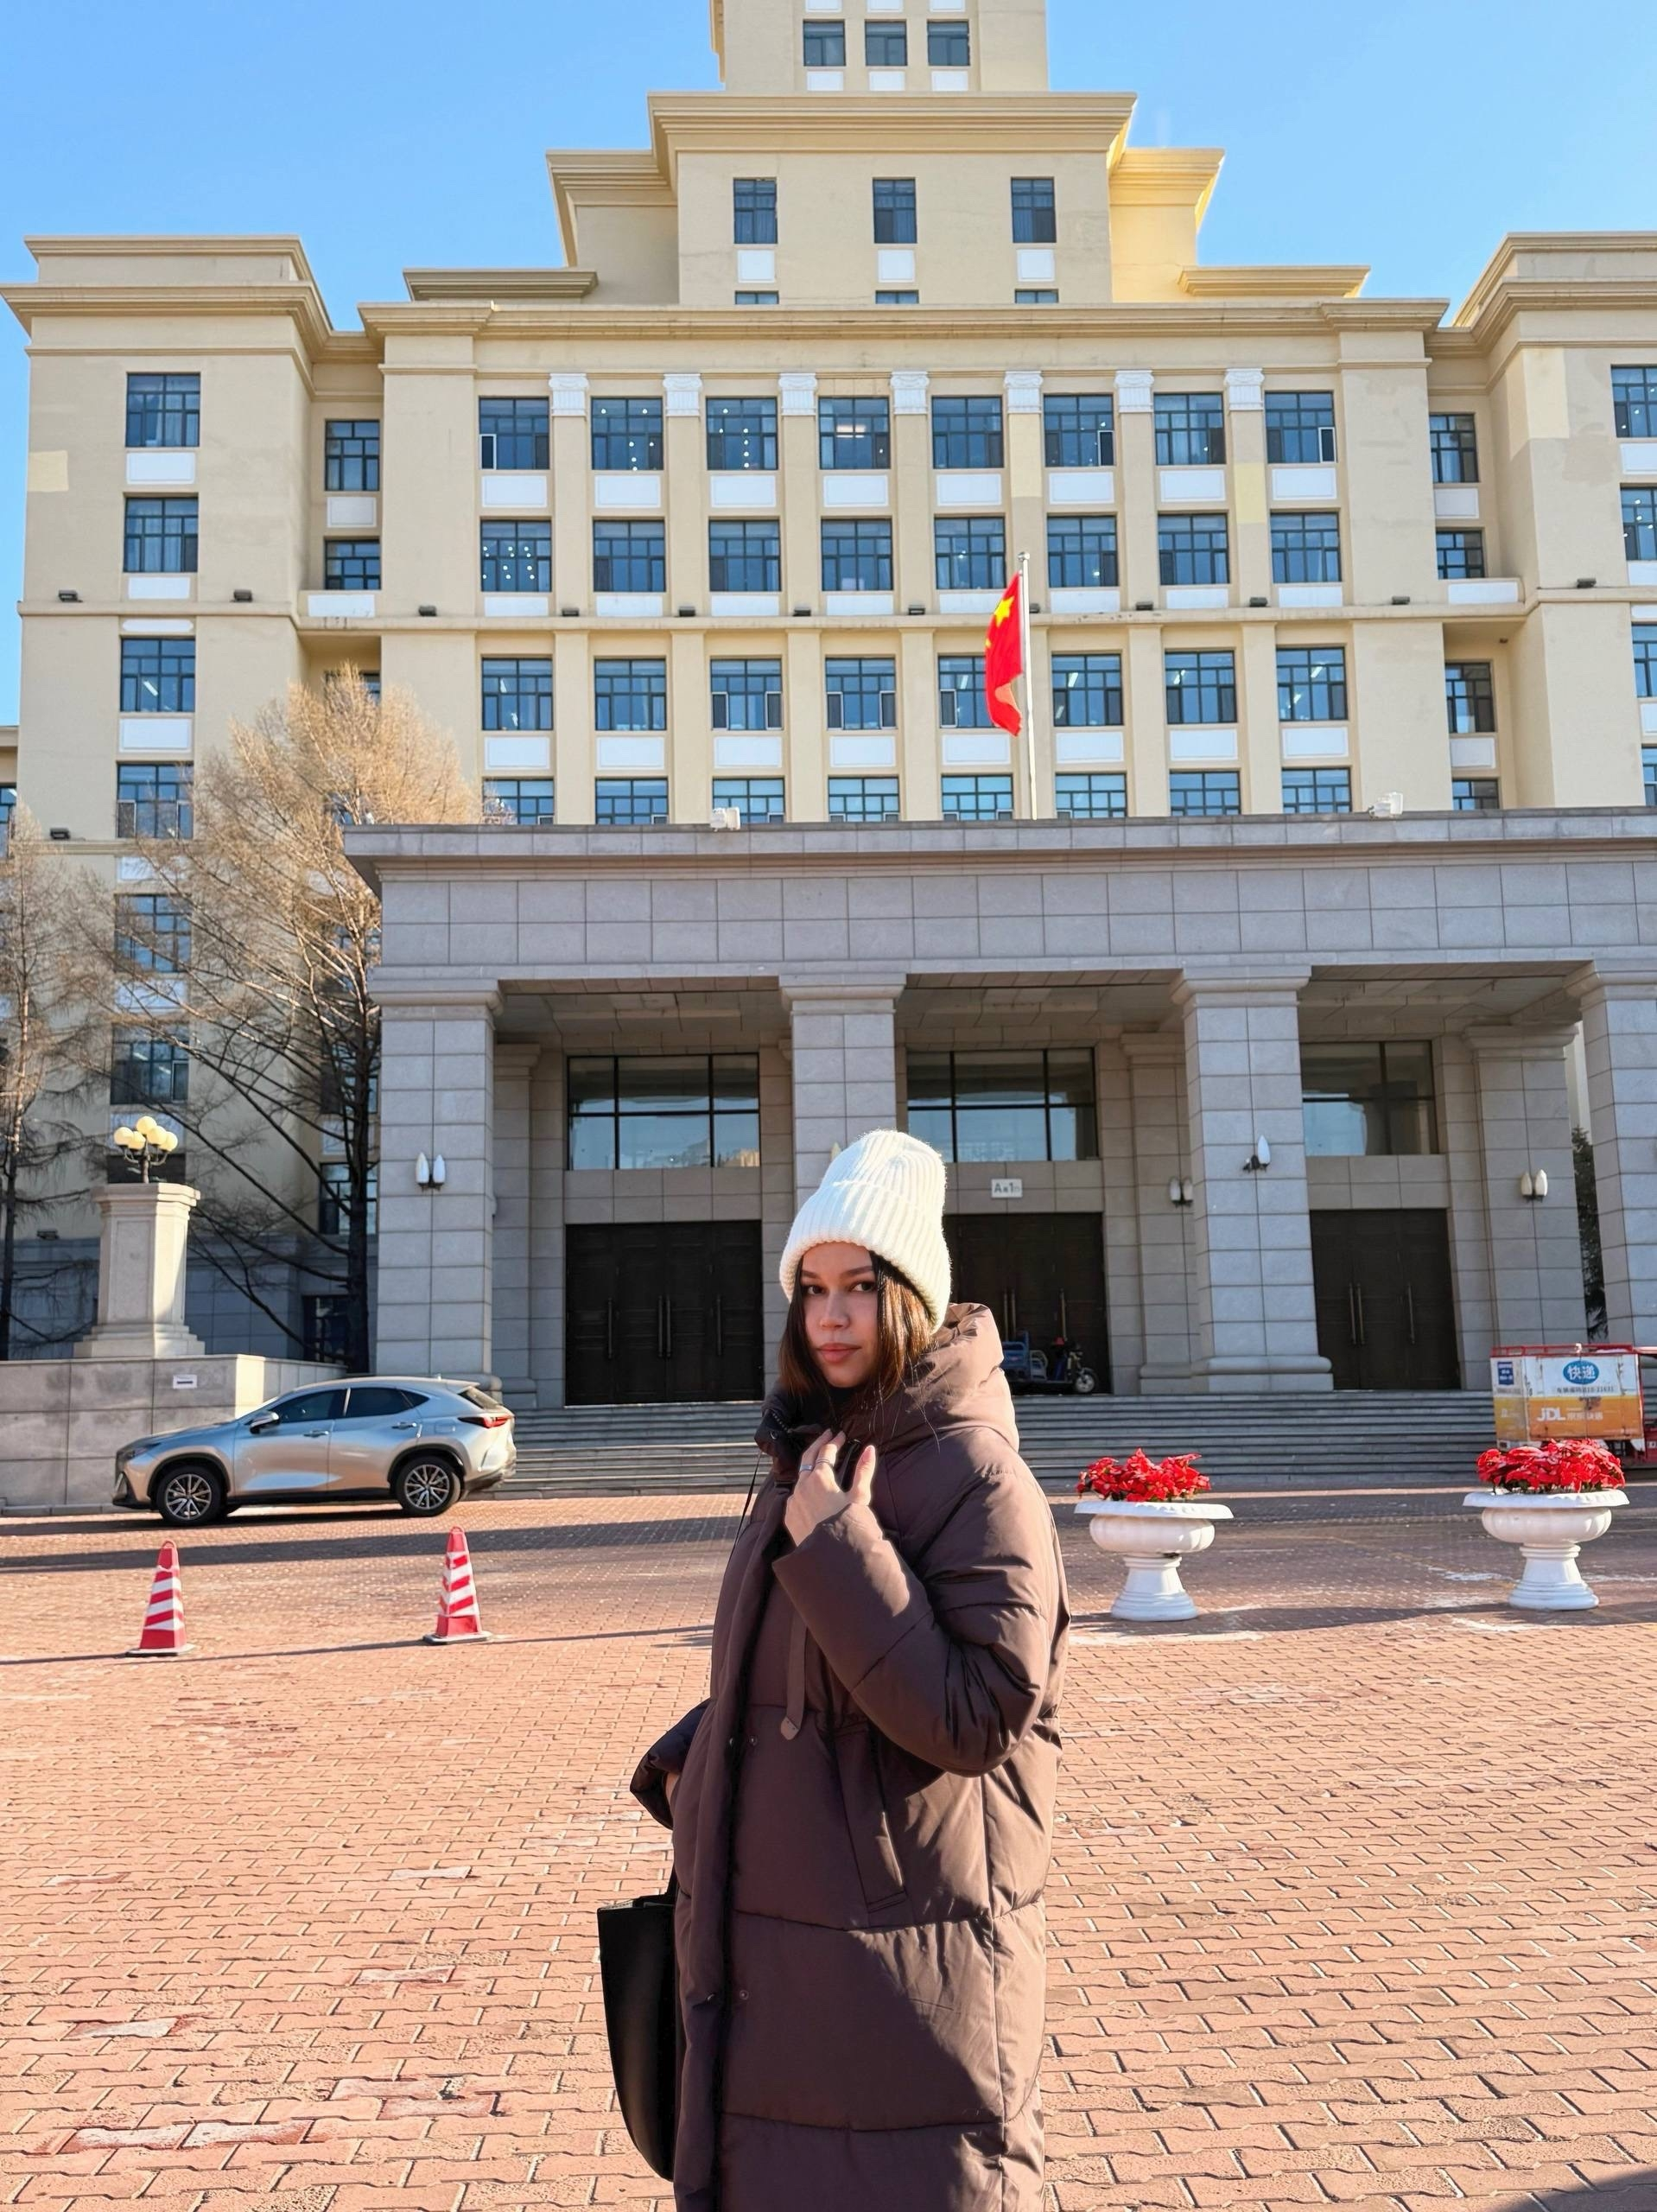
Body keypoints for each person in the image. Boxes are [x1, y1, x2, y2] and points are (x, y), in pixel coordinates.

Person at [631, 1128, 1070, 2211]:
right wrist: (702, 1758)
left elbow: (980, 1715)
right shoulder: (812, 1451)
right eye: (812, 1289)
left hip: (900, 1963)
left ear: (912, 1296)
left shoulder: (975, 1472)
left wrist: (839, 1545)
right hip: (782, 1935)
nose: (830, 1316)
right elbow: (801, 1670)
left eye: (862, 1287)